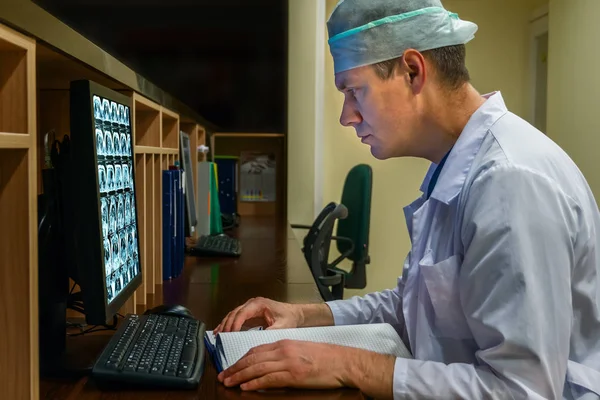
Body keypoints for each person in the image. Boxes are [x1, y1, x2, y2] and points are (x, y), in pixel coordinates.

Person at [213, 0, 600, 398]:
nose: (347, 116)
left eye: (354, 91)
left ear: (412, 70)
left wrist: (345, 363)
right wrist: (305, 314)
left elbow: (522, 391)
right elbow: (415, 307)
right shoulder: (452, 165)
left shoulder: (511, 182)